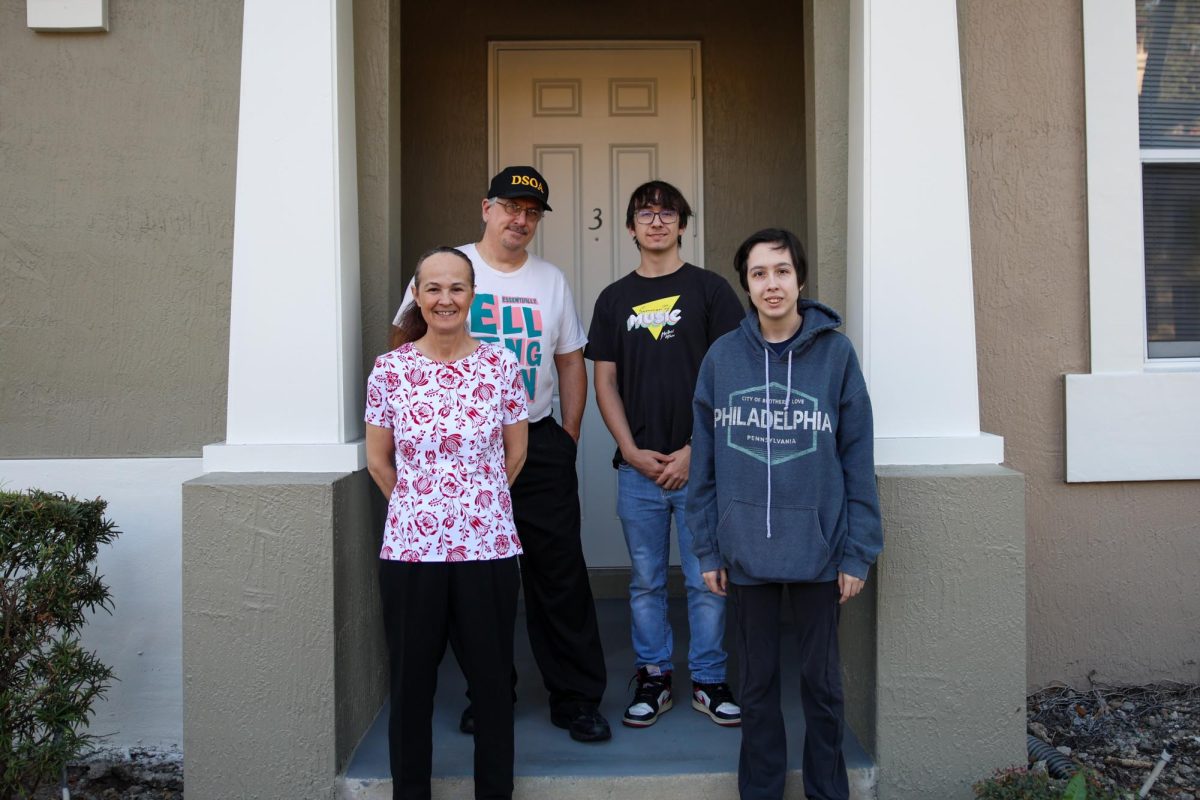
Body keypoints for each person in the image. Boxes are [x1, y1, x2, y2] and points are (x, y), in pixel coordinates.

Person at [391, 166, 610, 743]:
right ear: (486, 208)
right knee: (476, 582)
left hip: (535, 443)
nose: (520, 219)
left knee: (558, 572)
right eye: (510, 206)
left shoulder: (550, 281)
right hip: (455, 453)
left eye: (532, 211)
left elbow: (570, 360)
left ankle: (577, 698)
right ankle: (490, 695)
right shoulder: (448, 267)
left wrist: (566, 434)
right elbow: (402, 348)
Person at [686, 228, 884, 800]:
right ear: (746, 284)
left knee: (822, 689)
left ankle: (828, 791)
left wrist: (856, 551)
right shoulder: (723, 358)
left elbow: (857, 458)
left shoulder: (836, 356)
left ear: (799, 278)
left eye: (781, 271)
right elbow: (705, 465)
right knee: (755, 688)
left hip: (821, 555)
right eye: (758, 274)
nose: (771, 284)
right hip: (744, 553)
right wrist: (707, 547)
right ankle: (762, 790)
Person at [366, 246, 529, 800]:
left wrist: (473, 507)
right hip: (412, 553)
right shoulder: (391, 370)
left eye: (456, 288)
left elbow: (516, 453)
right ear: (417, 294)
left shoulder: (501, 365)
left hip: (487, 550)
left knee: (490, 686)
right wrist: (421, 506)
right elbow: (378, 461)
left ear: (472, 296)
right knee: (412, 687)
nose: (445, 299)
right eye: (433, 288)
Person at [586, 180, 745, 728]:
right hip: (638, 470)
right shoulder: (613, 298)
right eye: (645, 213)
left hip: (702, 469)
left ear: (683, 223)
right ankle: (654, 678)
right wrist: (628, 450)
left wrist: (694, 451)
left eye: (667, 212)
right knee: (647, 580)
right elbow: (603, 380)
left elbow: (733, 375)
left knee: (708, 577)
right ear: (630, 227)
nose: (656, 221)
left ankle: (708, 678)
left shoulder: (711, 291)